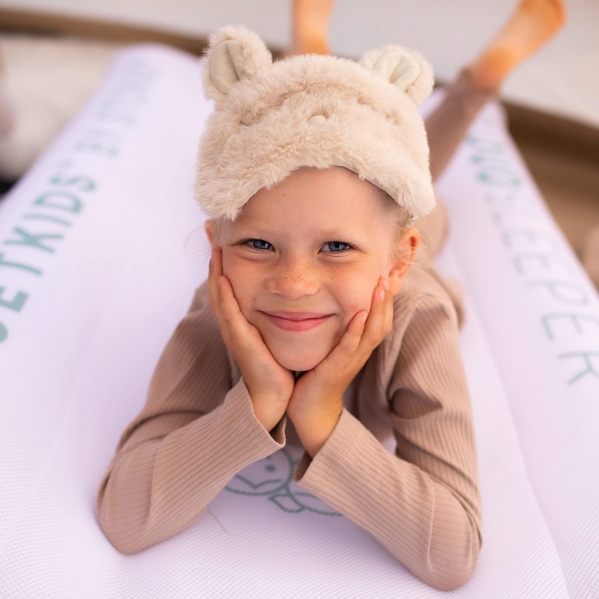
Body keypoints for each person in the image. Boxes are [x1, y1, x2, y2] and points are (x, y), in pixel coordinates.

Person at [95, 1, 565, 591]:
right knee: (330, 161)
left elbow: (452, 554)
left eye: (336, 248)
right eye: (258, 243)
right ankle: (311, 52)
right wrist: (259, 403)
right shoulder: (223, 306)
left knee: (426, 195)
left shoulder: (418, 317)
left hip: (408, 241)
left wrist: (320, 419)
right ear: (216, 245)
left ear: (399, 259)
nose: (293, 284)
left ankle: (472, 89)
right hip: (359, 236)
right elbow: (125, 517)